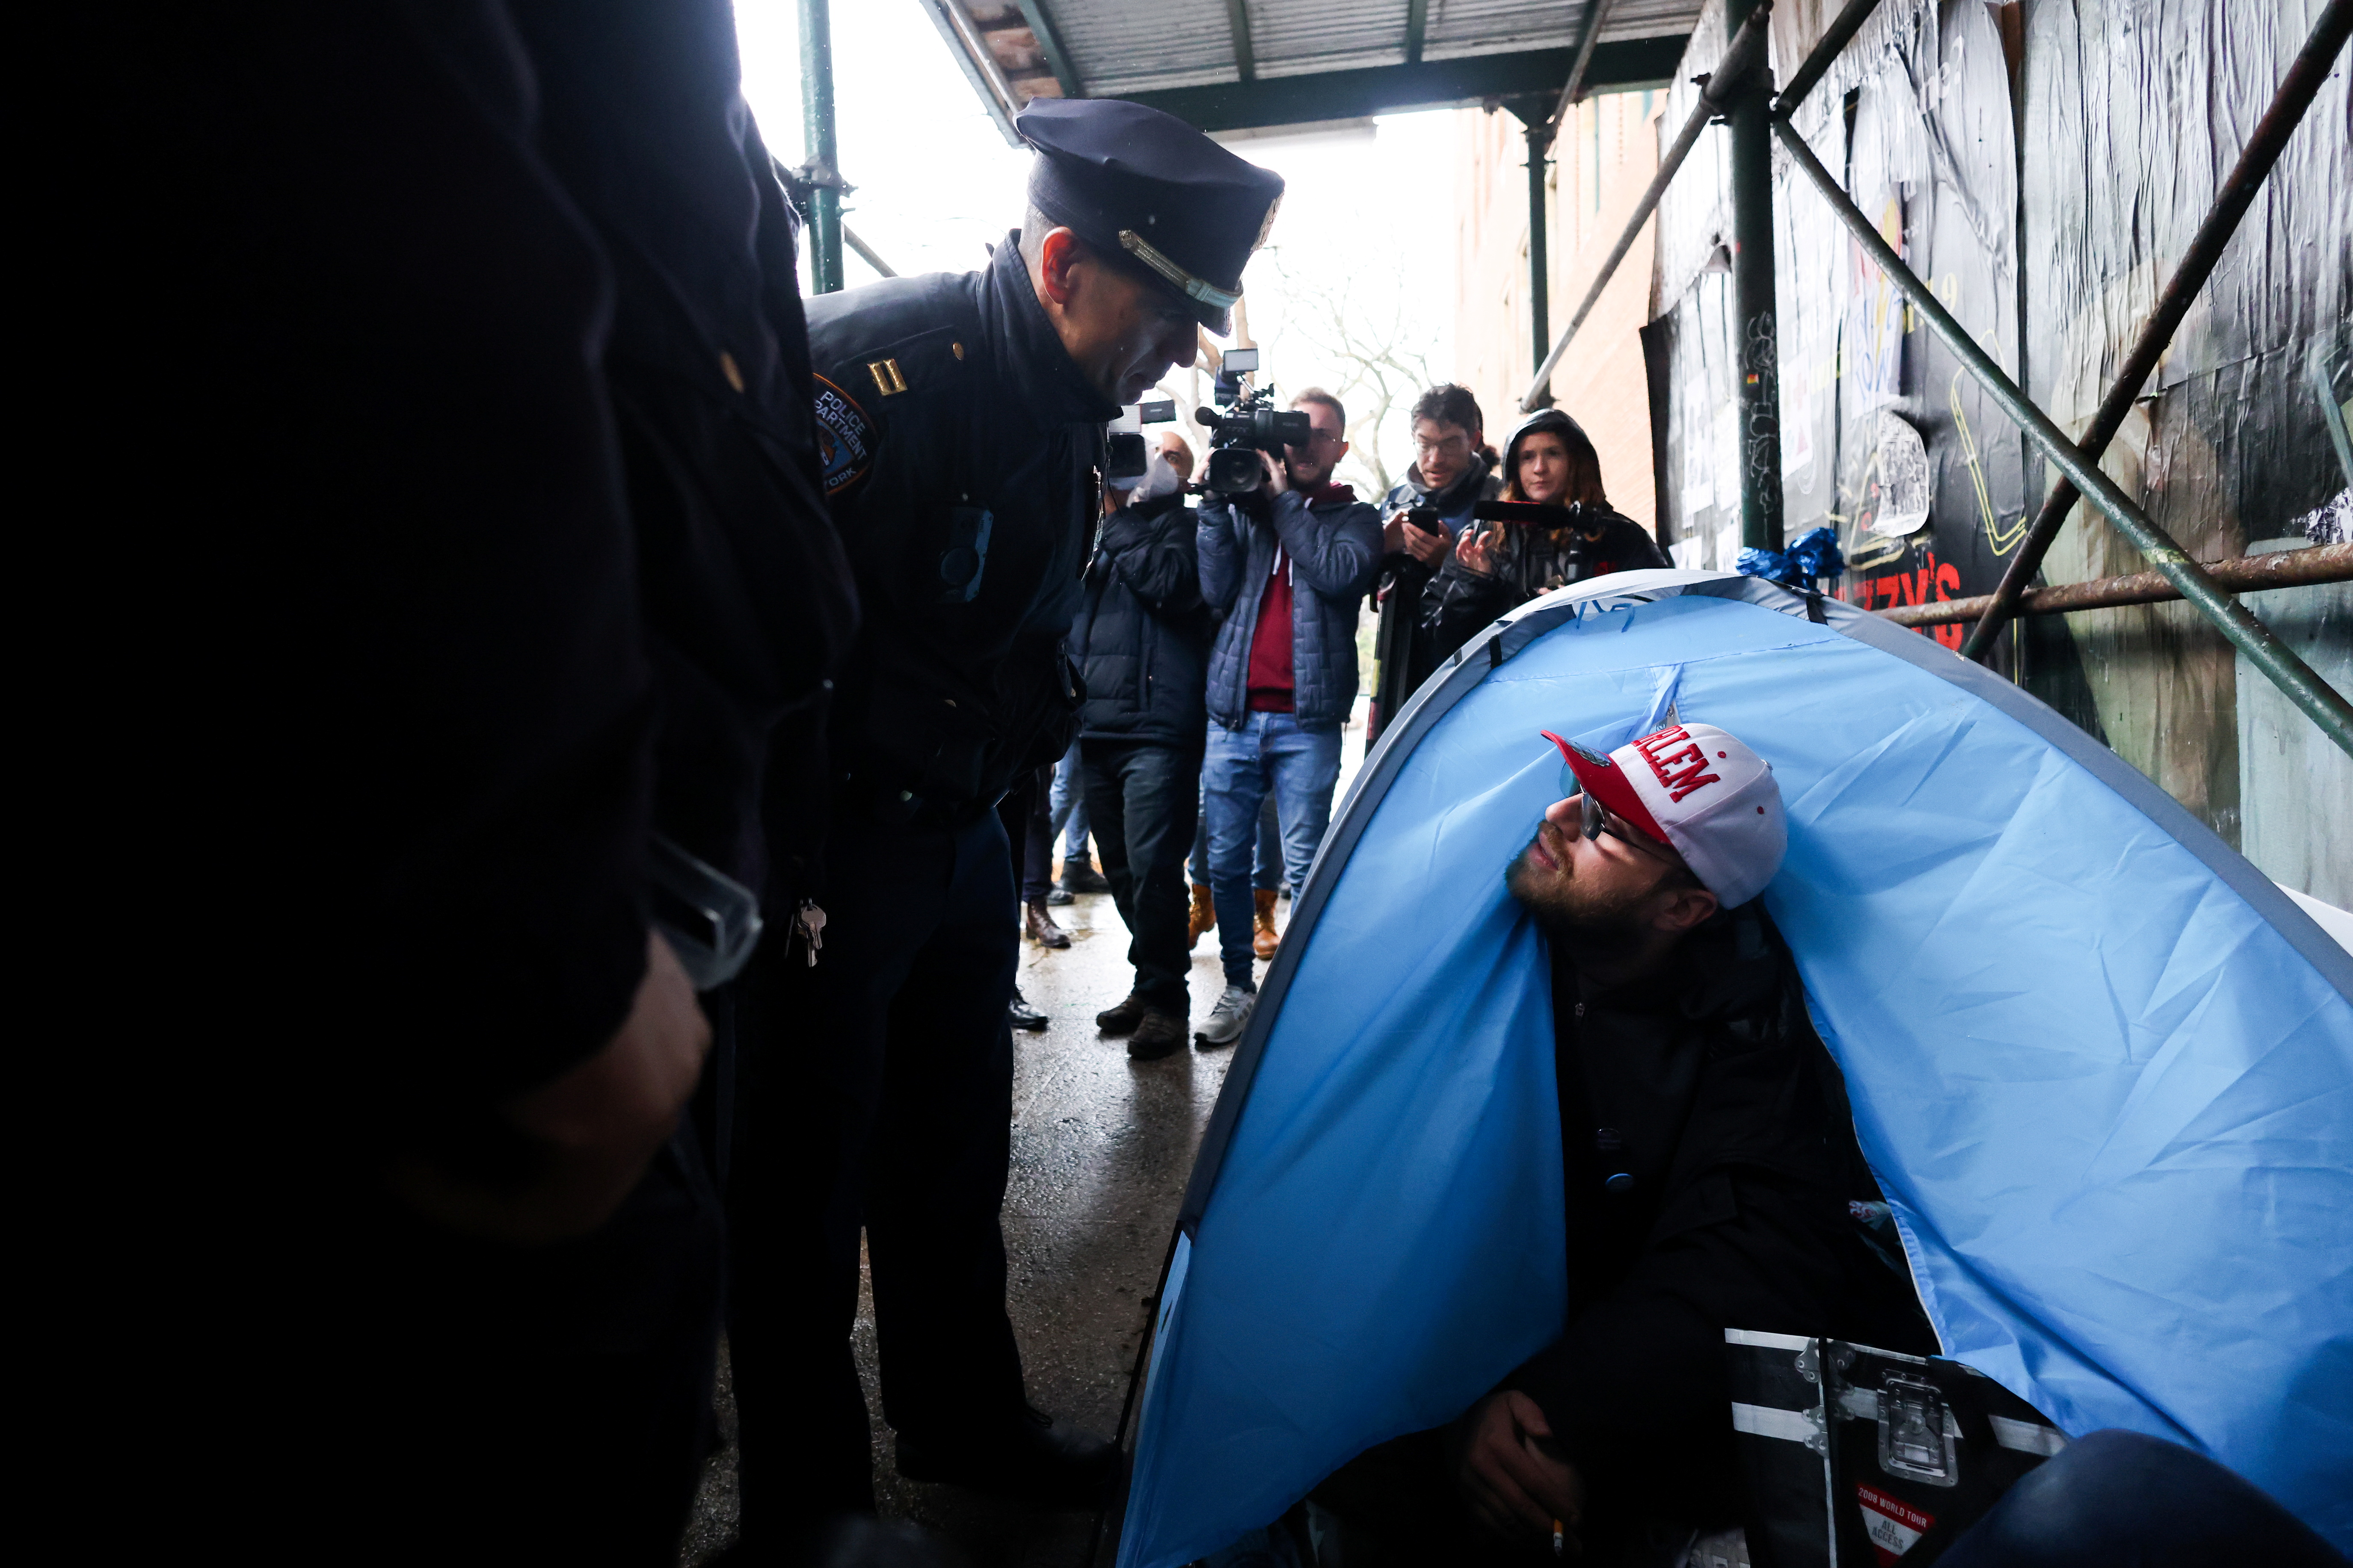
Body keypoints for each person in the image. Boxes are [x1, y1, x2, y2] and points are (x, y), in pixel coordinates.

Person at [729, 95, 1285, 1543]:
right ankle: (808, 1508)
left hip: (964, 834)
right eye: (1164, 319)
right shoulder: (869, 374)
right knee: (798, 1186)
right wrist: (777, 872)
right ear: (1062, 267)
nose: (1173, 358)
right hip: (830, 855)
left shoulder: (1062, 406)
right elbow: (746, 641)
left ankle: (963, 1416)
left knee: (949, 1152)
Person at [1308, 722, 1932, 1563]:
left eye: (1607, 828)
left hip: (1594, 1353)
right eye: (1582, 792)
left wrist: (1561, 1407)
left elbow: (1753, 1252)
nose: (1560, 816)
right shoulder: (1468, 943)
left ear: (1682, 909)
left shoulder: (1747, 1025)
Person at [1195, 390, 1383, 1046]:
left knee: (1304, 865)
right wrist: (1218, 505)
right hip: (1233, 714)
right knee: (1226, 863)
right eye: (1297, 431)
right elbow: (1214, 589)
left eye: (1321, 434)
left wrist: (1280, 504)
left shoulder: (1357, 518)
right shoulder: (1248, 506)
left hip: (1307, 722)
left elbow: (1337, 576)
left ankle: (1300, 1000)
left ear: (1340, 448)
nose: (1305, 444)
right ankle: (1239, 987)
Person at [1070, 442, 1215, 1058]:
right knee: (1124, 872)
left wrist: (1120, 517)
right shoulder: (1095, 532)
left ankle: (1167, 1002)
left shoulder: (1188, 528)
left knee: (1157, 872)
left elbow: (1173, 585)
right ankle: (1149, 979)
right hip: (1096, 726)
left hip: (1159, 728)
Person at [1422, 408, 1667, 670]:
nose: (1540, 469)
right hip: (1507, 691)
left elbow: (1665, 617)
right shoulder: (1485, 538)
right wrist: (1474, 585)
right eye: (1528, 457)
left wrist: (1594, 611)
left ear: (1576, 461)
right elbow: (1438, 645)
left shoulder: (1619, 535)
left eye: (1553, 454)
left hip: (1601, 684)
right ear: (1515, 467)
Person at [1367, 385, 1502, 747]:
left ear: (1474, 440)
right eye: (1425, 444)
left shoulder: (1498, 499)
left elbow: (1514, 591)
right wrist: (1381, 550)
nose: (1434, 459)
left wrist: (1449, 564)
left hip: (1476, 663)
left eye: (1450, 444)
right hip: (1402, 661)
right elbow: (1364, 588)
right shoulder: (1396, 501)